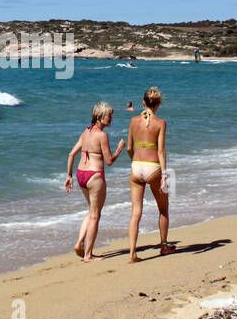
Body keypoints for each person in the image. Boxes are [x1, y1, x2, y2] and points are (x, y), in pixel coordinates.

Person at [64, 101, 125, 263]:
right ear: (99, 117)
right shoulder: (102, 135)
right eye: (109, 116)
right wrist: (119, 149)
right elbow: (109, 161)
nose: (111, 118)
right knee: (95, 216)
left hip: (80, 174)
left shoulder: (86, 132)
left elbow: (71, 154)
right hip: (94, 175)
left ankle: (79, 243)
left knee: (91, 211)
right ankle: (88, 255)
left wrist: (69, 176)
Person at [127, 87, 174, 262]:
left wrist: (135, 162)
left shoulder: (133, 121)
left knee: (135, 212)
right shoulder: (161, 123)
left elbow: (129, 148)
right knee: (163, 210)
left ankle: (132, 253)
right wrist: (163, 174)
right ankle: (163, 246)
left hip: (136, 167)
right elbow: (161, 151)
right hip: (153, 167)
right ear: (159, 104)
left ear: (143, 102)